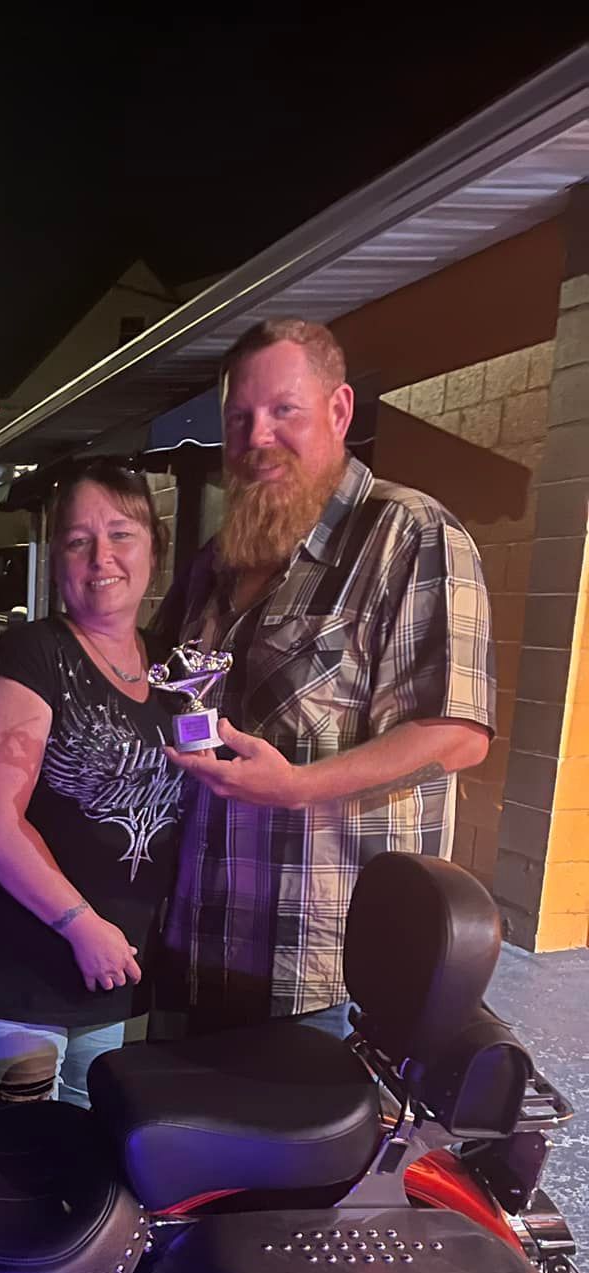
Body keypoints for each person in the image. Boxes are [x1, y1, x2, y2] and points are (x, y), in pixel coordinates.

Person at [153, 316, 495, 1035]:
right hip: (197, 943)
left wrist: (298, 789)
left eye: (284, 411)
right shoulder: (218, 559)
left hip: (324, 971)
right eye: (240, 418)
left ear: (338, 411)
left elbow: (457, 733)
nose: (257, 438)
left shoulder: (409, 534)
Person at [0, 461, 185, 1108]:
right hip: (13, 976)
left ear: (155, 547)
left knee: (89, 1172)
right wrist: (81, 926)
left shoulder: (174, 669)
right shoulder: (34, 654)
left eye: (122, 534)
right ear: (57, 559)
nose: (103, 556)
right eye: (79, 540)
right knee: (25, 1178)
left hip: (107, 983)